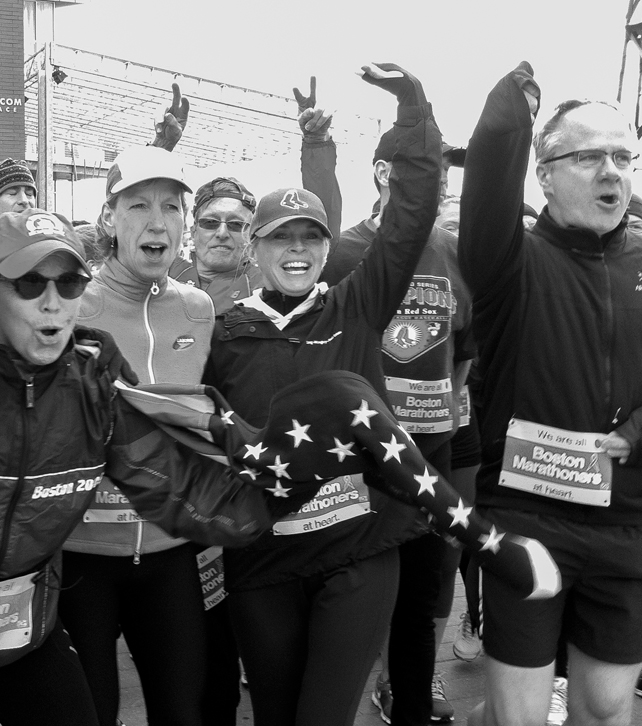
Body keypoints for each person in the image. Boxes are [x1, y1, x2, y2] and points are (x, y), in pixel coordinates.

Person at [0, 207, 318, 726]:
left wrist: (295, 481)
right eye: (29, 284)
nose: (53, 302)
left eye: (70, 283)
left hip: (22, 629)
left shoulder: (93, 386)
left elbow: (185, 494)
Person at [458, 62, 642, 726]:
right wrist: (507, 115)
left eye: (624, 156)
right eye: (591, 156)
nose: (613, 171)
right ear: (545, 173)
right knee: (519, 716)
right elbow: (484, 198)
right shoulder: (509, 260)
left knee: (604, 708)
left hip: (628, 527)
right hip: (525, 521)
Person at [201, 62, 441, 726]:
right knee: (276, 713)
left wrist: (413, 111)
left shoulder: (356, 306)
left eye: (311, 236)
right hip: (265, 559)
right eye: (282, 237)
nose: (298, 248)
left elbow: (411, 215)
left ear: (329, 246)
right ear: (256, 249)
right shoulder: (221, 333)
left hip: (357, 551)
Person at [300, 74, 475, 725]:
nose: (439, 182)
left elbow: (466, 350)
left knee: (422, 600)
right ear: (381, 173)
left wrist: (440, 413)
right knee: (350, 601)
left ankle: (411, 702)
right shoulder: (344, 253)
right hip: (360, 467)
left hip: (430, 461)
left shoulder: (454, 251)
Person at [58, 143, 218, 726]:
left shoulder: (198, 309)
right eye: (138, 207)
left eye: (173, 208)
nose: (158, 222)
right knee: (91, 714)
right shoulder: (68, 303)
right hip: (81, 558)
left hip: (171, 555)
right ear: (108, 218)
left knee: (182, 712)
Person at [169, 176, 263, 314]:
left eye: (236, 224)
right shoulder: (163, 272)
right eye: (210, 223)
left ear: (250, 235)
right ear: (194, 231)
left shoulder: (263, 287)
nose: (222, 233)